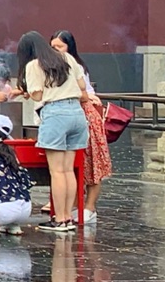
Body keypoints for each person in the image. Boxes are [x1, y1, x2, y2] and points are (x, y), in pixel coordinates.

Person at [17, 31, 85, 233]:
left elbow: (37, 94)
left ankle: (60, 219)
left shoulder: (33, 65)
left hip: (55, 114)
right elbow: (81, 85)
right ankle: (68, 218)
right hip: (77, 113)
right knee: (68, 170)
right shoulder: (66, 57)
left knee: (56, 171)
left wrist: (29, 92)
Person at [54, 30, 113, 228]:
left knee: (93, 164)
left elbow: (85, 93)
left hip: (86, 117)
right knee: (74, 166)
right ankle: (73, 206)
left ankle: (90, 207)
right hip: (70, 116)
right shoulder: (54, 67)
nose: (56, 51)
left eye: (60, 47)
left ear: (69, 47)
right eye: (53, 47)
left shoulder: (76, 66)